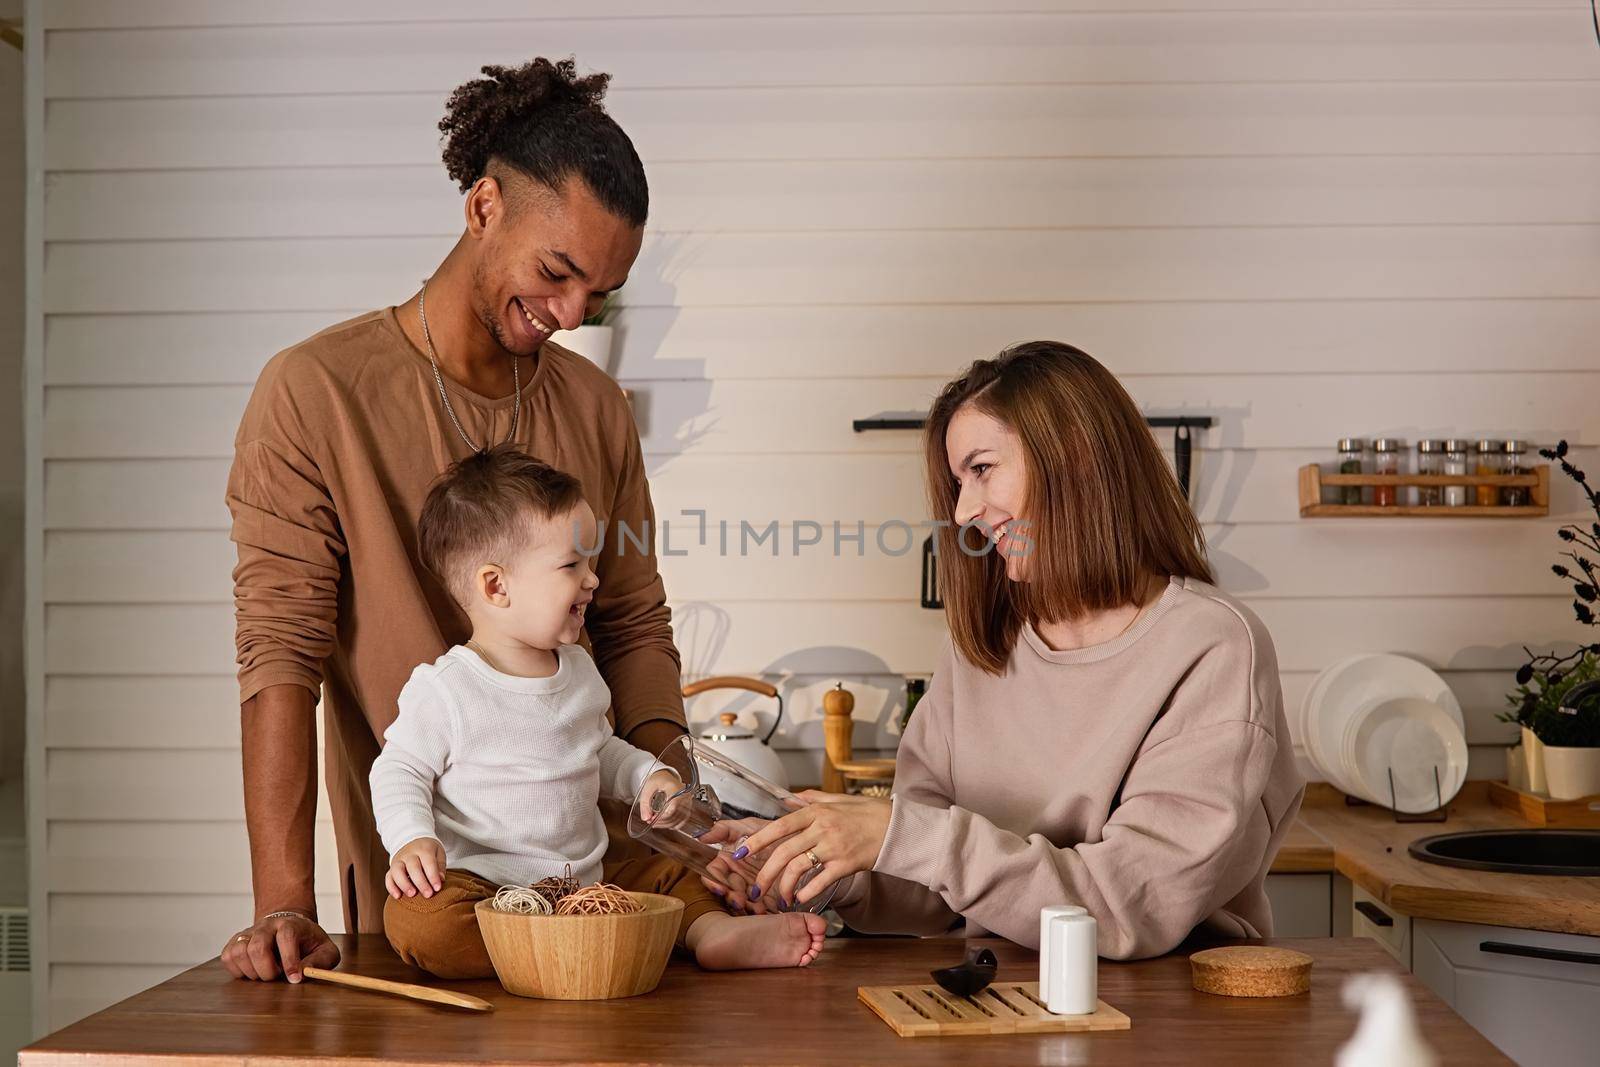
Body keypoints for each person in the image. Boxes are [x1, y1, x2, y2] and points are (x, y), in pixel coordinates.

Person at [220, 58, 687, 983]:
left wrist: (685, 805)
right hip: (431, 888)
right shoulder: (316, 392)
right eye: (556, 274)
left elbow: (632, 622)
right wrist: (282, 900)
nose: (569, 314)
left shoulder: (594, 407)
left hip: (585, 893)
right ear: (484, 208)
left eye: (597, 295)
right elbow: (282, 648)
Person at [721, 342, 1305, 959]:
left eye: (981, 468)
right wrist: (821, 868)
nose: (965, 511)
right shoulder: (982, 648)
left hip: (1163, 1010)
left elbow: (1129, 906)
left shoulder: (1212, 645)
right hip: (999, 1000)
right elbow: (934, 886)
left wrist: (900, 832)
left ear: (1073, 457)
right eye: (958, 481)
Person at [373, 449, 825, 975]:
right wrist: (412, 837)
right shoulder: (448, 688)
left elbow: (600, 751)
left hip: (584, 883)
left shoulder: (579, 671)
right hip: (486, 888)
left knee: (672, 878)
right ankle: (583, 944)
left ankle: (712, 934)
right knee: (420, 921)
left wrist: (646, 777)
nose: (592, 579)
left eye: (589, 562)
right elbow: (398, 768)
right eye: (572, 565)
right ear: (497, 586)